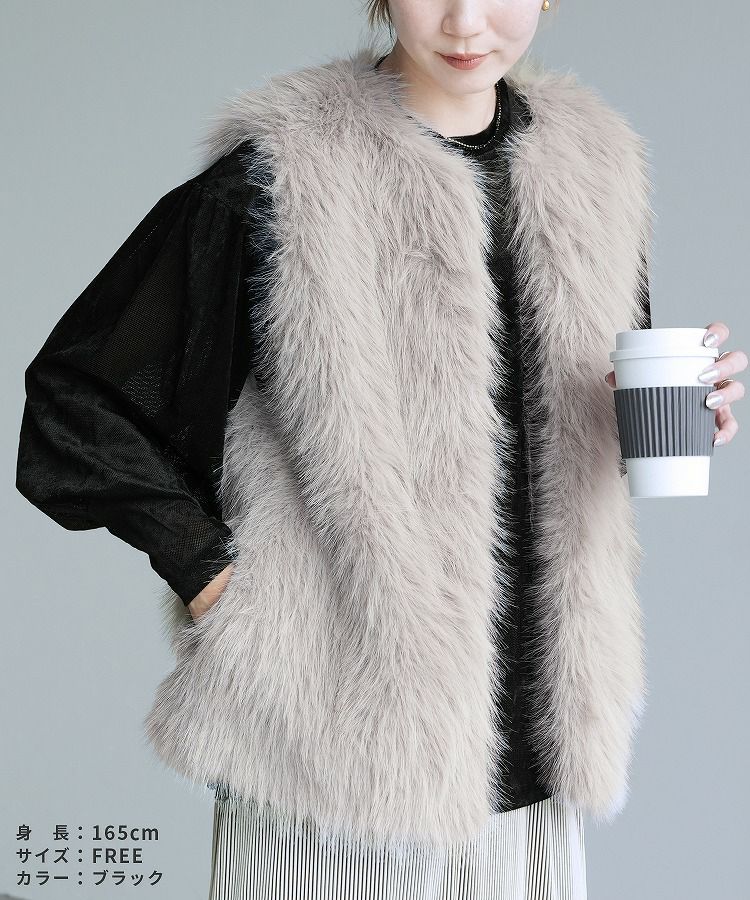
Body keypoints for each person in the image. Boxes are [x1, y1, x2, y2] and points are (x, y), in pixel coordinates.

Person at [15, 1, 746, 898]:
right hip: (332, 750)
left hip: (536, 761)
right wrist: (217, 581)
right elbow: (78, 400)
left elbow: (549, 422)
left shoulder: (598, 166)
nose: (466, 21)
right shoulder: (285, 168)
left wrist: (679, 414)